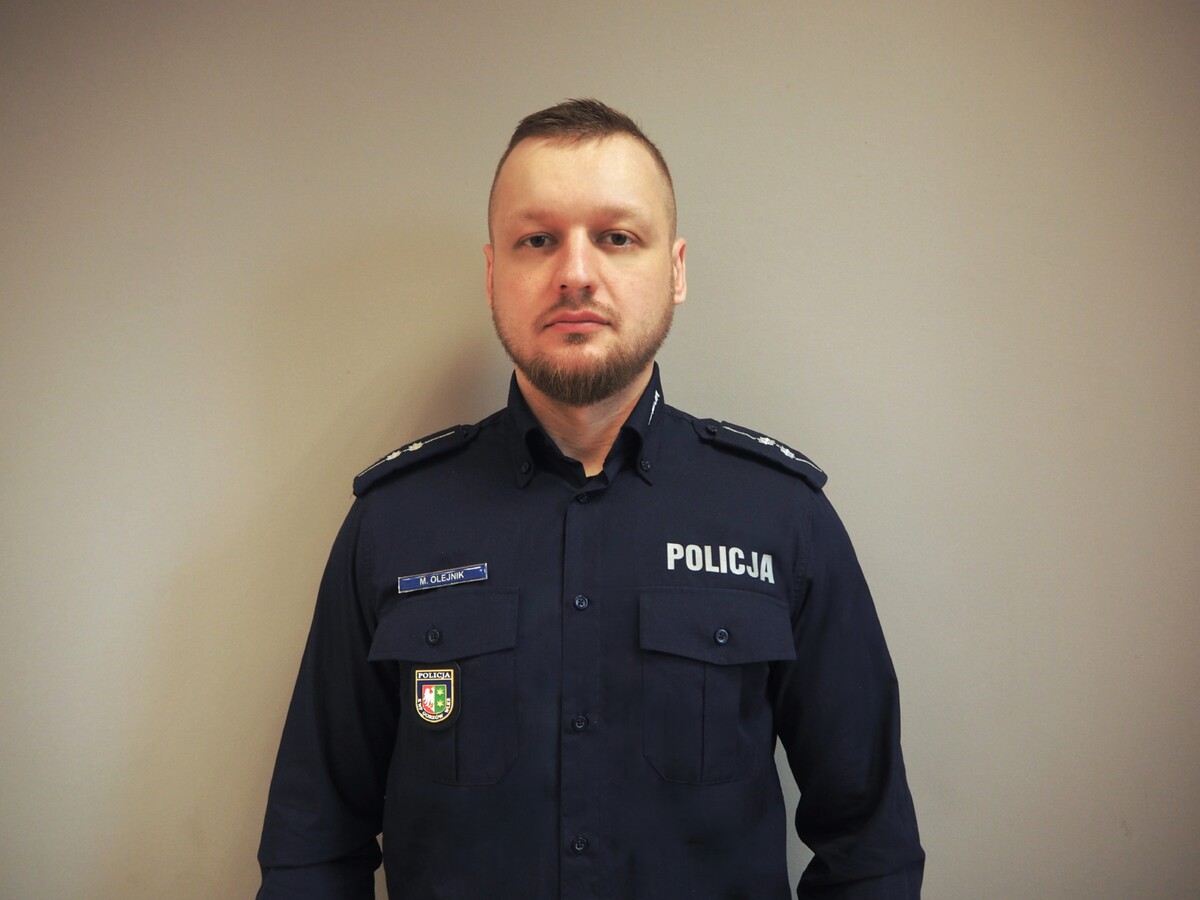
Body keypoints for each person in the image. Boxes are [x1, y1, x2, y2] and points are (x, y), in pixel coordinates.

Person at [257, 98, 924, 899]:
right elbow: (313, 847)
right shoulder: (392, 525)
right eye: (538, 240)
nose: (575, 272)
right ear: (494, 274)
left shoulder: (783, 520)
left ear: (675, 270)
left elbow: (870, 846)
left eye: (617, 237)